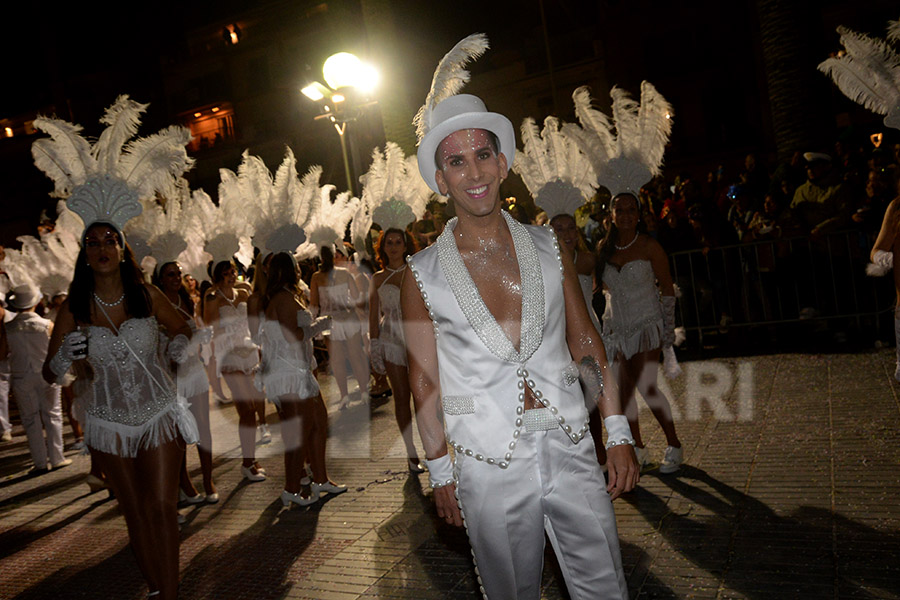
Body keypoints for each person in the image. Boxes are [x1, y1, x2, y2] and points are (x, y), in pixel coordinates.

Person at [404, 38, 638, 599]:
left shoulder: (549, 247)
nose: (474, 171)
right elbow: (424, 379)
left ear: (503, 163)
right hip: (485, 462)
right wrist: (440, 470)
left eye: (483, 155)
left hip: (569, 441)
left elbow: (584, 338)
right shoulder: (420, 274)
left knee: (605, 583)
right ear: (441, 179)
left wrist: (617, 429)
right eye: (456, 161)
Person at [43, 223, 198, 599]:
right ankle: (158, 588)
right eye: (92, 243)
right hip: (108, 421)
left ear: (122, 248)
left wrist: (177, 346)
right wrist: (64, 354)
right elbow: (49, 371)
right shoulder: (75, 307)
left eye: (110, 241)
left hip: (159, 410)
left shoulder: (146, 294)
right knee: (136, 511)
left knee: (162, 506)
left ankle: (170, 593)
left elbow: (185, 328)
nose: (102, 249)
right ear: (84, 255)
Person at [596, 193, 684, 472]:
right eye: (619, 210)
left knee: (646, 386)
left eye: (631, 210)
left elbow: (668, 289)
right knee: (622, 394)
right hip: (617, 328)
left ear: (639, 214)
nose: (625, 215)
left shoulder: (649, 246)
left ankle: (674, 445)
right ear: (610, 215)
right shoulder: (602, 249)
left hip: (647, 325)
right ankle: (638, 448)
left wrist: (667, 331)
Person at [258, 252, 345, 506]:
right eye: (296, 266)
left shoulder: (289, 295)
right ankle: (291, 490)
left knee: (318, 423)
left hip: (300, 370)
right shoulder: (283, 298)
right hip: (288, 373)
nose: (299, 269)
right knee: (299, 433)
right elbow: (291, 335)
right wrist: (320, 326)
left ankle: (321, 479)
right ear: (289, 270)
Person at [154, 261, 217, 503]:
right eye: (170, 274)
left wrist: (200, 340)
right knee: (179, 431)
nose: (176, 278)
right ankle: (184, 483)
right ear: (160, 279)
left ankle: (208, 479)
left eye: (178, 273)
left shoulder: (186, 300)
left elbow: (191, 331)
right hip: (172, 374)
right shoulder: (157, 305)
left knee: (204, 426)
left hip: (194, 370)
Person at [204, 259, 266, 482]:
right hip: (229, 355)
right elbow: (210, 329)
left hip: (248, 351)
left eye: (232, 271)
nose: (231, 276)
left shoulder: (244, 291)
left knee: (251, 409)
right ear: (216, 276)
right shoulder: (211, 297)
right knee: (247, 409)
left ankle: (251, 459)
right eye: (225, 273)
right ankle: (247, 463)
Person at [368, 228, 425, 473]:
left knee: (424, 398)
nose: (393, 246)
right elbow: (372, 316)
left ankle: (433, 451)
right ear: (382, 248)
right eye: (388, 242)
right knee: (402, 398)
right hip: (391, 339)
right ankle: (411, 453)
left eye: (397, 242)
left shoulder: (417, 271)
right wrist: (375, 347)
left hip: (417, 338)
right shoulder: (377, 279)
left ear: (405, 246)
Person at [5, 284, 70, 473]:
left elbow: (3, 352)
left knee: (30, 419)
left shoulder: (8, 328)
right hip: (46, 374)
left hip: (21, 376)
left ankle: (40, 462)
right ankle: (57, 457)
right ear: (36, 302)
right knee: (53, 415)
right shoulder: (47, 325)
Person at [309, 245, 370, 410]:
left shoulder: (316, 277)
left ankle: (345, 396)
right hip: (348, 319)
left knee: (337, 361)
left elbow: (314, 305)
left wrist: (310, 324)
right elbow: (356, 298)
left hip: (330, 323)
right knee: (355, 355)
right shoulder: (344, 273)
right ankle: (363, 392)